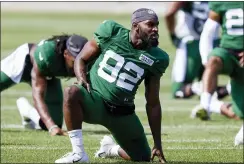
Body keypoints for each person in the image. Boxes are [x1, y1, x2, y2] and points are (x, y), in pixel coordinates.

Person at [55, 8, 169, 163]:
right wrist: (82, 79)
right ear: (135, 26)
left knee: (143, 158)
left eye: (156, 24)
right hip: (95, 101)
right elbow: (81, 58)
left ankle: (110, 149)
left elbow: (153, 103)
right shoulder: (111, 32)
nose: (155, 29)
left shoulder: (158, 58)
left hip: (122, 113)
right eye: (150, 24)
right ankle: (78, 153)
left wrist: (157, 143)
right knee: (71, 92)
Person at [1, 34, 88, 136]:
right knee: (51, 125)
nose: (79, 64)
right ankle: (26, 108)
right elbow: (38, 96)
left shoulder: (88, 58)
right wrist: (51, 127)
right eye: (75, 61)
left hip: (48, 75)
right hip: (23, 63)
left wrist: (53, 126)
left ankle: (27, 112)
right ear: (66, 54)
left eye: (82, 60)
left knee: (55, 123)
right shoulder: (48, 56)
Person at [191, 2, 243, 146]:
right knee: (213, 60)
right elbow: (208, 31)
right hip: (227, 53)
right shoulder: (222, 3)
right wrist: (205, 59)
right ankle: (205, 104)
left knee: (237, 113)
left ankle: (214, 106)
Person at [165, 1, 229, 99]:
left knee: (178, 91)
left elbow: (169, 12)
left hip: (191, 43)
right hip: (212, 42)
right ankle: (227, 88)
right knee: (209, 91)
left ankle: (198, 88)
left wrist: (173, 35)